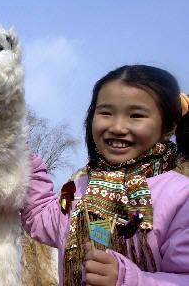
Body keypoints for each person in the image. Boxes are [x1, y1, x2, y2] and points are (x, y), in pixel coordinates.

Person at [22, 65, 189, 285]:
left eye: (136, 115)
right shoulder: (79, 187)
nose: (118, 127)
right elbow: (40, 215)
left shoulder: (181, 196)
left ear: (168, 127)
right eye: (106, 113)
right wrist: (19, 156)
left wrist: (128, 279)